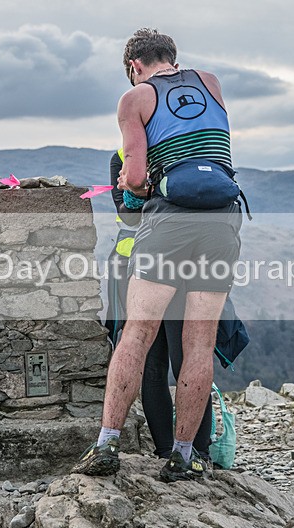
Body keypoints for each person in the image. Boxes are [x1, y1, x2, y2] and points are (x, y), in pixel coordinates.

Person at [73, 28, 242, 482]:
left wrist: (140, 184)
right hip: (223, 218)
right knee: (199, 344)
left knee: (137, 333)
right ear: (172, 57)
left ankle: (107, 444)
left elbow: (132, 179)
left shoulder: (135, 98)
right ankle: (185, 455)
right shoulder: (210, 82)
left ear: (134, 67)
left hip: (170, 221)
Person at [103, 150, 215, 463]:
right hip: (137, 266)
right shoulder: (122, 157)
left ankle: (196, 452)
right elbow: (128, 215)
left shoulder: (180, 149)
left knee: (184, 359)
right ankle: (168, 450)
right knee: (153, 364)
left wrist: (143, 191)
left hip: (178, 262)